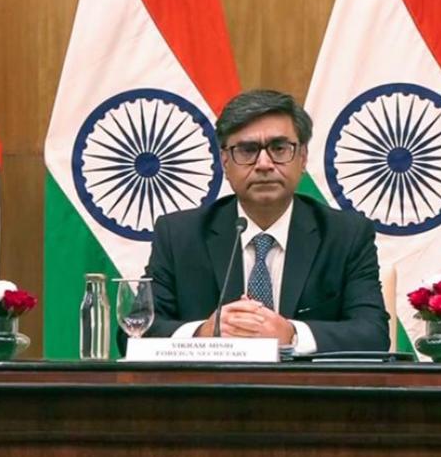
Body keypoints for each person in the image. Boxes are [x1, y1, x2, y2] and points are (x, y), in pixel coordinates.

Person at [130, 89, 390, 354]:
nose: (264, 164)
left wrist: (292, 334)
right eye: (247, 150)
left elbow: (374, 334)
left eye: (279, 148)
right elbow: (135, 331)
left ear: (302, 158)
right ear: (225, 162)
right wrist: (202, 334)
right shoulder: (179, 235)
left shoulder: (346, 235)